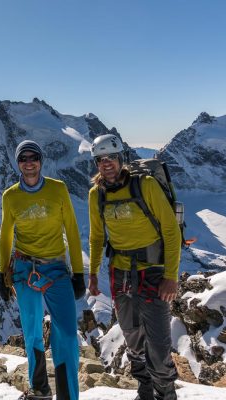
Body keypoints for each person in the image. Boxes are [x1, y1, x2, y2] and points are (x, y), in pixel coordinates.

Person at [88, 134, 180, 400]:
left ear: (121, 159)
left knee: (159, 343)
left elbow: (171, 231)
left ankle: (166, 393)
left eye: (111, 158)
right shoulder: (97, 194)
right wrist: (93, 274)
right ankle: (145, 391)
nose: (106, 164)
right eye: (100, 159)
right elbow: (96, 237)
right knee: (132, 337)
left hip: (153, 271)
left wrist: (171, 277)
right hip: (120, 273)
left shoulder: (145, 185)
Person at [0, 140, 84, 400]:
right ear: (18, 163)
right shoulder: (10, 196)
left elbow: (71, 229)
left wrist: (78, 273)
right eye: (23, 158)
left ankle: (67, 394)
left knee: (67, 333)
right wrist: (3, 274)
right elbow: (5, 236)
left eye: (33, 157)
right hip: (24, 268)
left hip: (56, 268)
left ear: (41, 160)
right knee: (33, 331)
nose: (28, 162)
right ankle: (40, 390)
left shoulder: (58, 190)